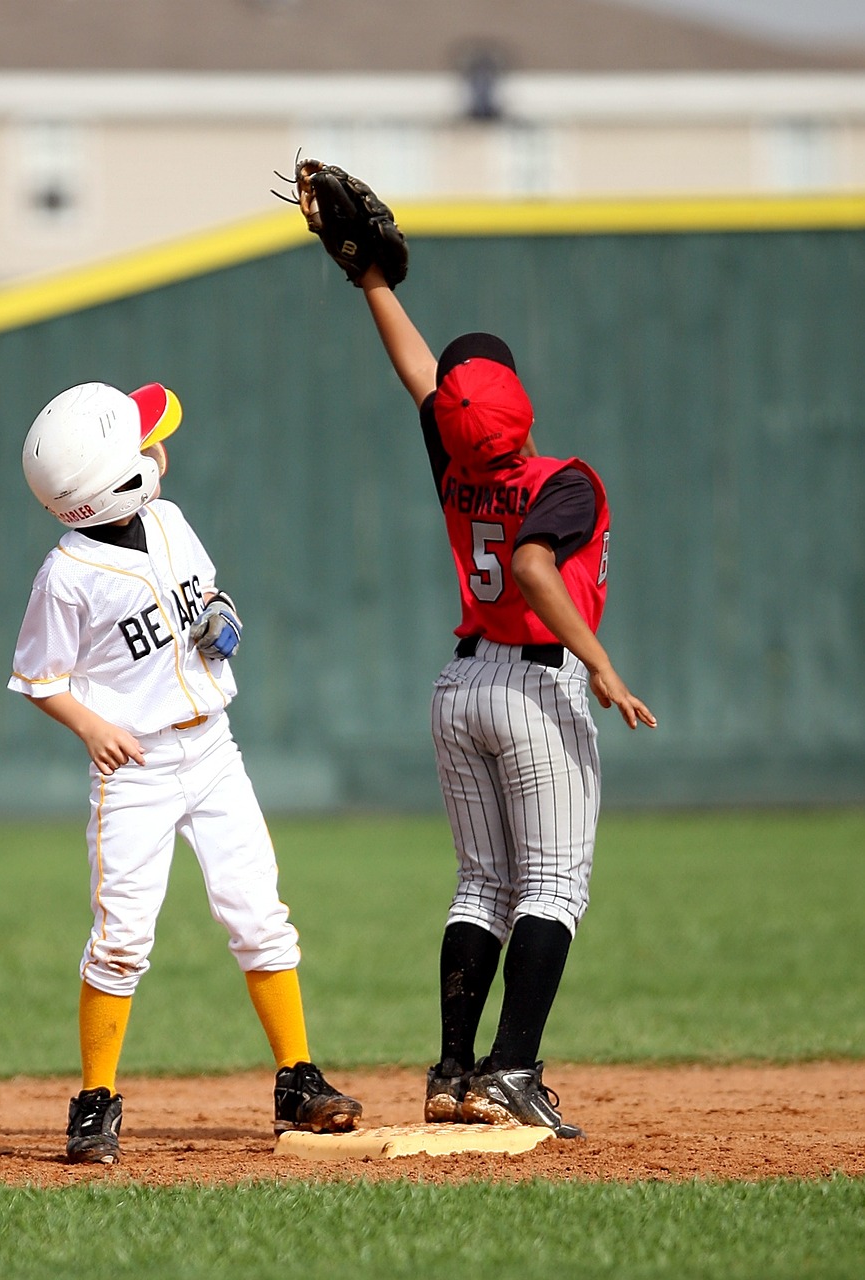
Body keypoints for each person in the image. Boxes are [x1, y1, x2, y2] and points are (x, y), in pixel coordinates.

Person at [8, 380, 362, 1164]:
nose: (154, 448)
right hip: (136, 769)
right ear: (108, 487)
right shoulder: (66, 574)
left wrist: (220, 615)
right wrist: (92, 724)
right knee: (122, 938)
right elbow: (39, 676)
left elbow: (203, 594)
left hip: (212, 749)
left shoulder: (167, 519)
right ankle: (95, 1101)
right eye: (137, 446)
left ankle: (298, 1081)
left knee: (260, 914)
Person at [351, 262, 657, 1139]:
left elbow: (419, 375)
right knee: (552, 887)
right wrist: (600, 664)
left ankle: (453, 1072)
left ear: (452, 419)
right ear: (518, 399)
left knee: (482, 883)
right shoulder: (566, 481)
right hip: (535, 682)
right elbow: (532, 565)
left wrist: (372, 282)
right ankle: (513, 1071)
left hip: (461, 685)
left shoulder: (453, 465)